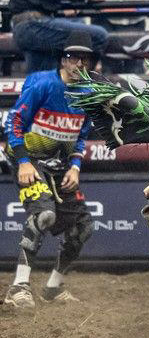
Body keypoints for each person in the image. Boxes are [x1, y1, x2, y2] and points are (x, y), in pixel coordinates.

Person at [3, 30, 97, 308]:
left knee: (83, 227)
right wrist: (22, 162)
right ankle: (18, 287)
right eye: (73, 57)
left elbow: (80, 136)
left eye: (85, 59)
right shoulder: (42, 85)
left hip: (59, 165)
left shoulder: (88, 95)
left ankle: (53, 288)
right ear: (63, 60)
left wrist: (76, 167)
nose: (79, 64)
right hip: (28, 159)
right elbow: (14, 124)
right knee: (43, 214)